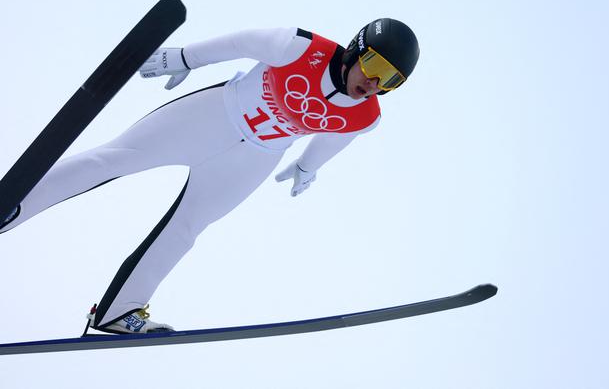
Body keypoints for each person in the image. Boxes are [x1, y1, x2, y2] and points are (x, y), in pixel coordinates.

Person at [0, 18, 420, 334]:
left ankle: (119, 311)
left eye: (391, 80)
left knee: (186, 228)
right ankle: (14, 206)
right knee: (112, 161)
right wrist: (184, 57)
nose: (374, 82)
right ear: (355, 49)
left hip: (253, 160)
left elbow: (335, 137)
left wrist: (308, 166)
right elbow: (240, 42)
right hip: (211, 116)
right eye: (374, 65)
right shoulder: (298, 46)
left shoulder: (365, 117)